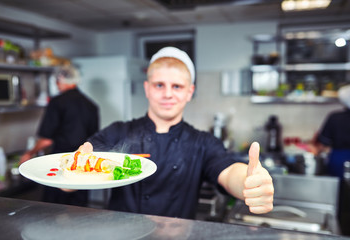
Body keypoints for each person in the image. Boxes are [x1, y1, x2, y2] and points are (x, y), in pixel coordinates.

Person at [79, 46, 274, 219]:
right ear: (147, 89)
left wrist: (248, 183)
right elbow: (73, 177)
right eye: (159, 85)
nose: (168, 94)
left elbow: (229, 171)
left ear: (190, 92)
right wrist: (76, 166)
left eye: (177, 86)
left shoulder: (202, 142)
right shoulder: (118, 132)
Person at [20, 65, 99, 207]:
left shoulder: (57, 103)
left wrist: (29, 153)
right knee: (81, 209)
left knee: (55, 209)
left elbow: (46, 140)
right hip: (83, 166)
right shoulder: (91, 105)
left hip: (60, 165)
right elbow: (94, 140)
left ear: (60, 80)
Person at [314, 85, 350, 178]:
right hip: (338, 158)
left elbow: (323, 142)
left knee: (338, 190)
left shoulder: (335, 117)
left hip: (338, 159)